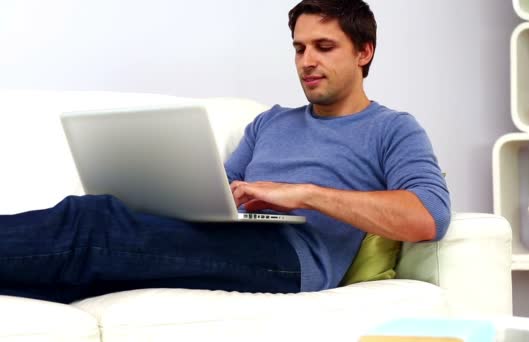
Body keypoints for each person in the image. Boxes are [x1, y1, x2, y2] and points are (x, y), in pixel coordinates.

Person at [0, 0, 450, 304]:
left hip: (292, 260)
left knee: (90, 225)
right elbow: (218, 194)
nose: (307, 61)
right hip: (241, 237)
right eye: (298, 48)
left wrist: (305, 194)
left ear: (363, 52)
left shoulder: (393, 128)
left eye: (323, 47)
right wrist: (219, 195)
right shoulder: (270, 121)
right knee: (98, 225)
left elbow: (428, 216)